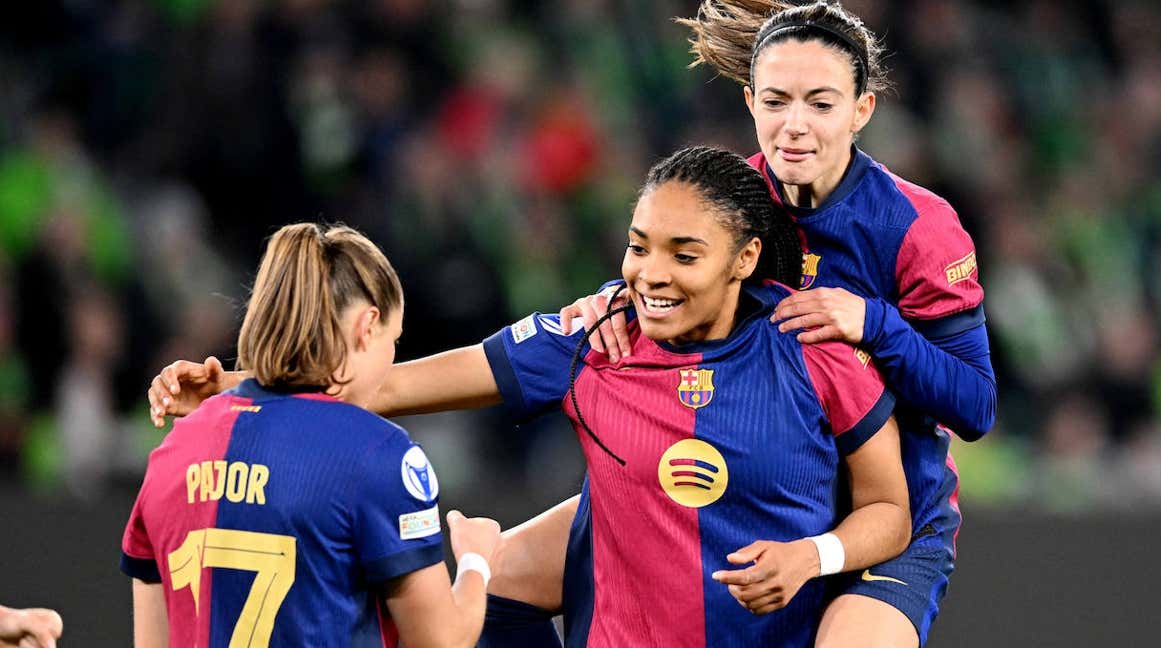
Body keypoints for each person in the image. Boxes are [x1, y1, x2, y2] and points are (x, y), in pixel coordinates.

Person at [147, 146, 912, 647]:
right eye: (639, 245)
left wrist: (811, 557)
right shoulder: (591, 335)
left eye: (685, 254)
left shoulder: (814, 347)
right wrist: (242, 385)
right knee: (476, 592)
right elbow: (383, 387)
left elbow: (890, 510)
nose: (650, 273)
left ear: (745, 257)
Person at [536, 2, 998, 646]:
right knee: (500, 573)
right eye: (778, 102)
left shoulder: (918, 227)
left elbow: (975, 405)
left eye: (821, 104)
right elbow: (664, 272)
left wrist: (874, 323)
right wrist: (612, 298)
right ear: (751, 103)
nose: (795, 127)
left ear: (862, 111)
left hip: (885, 518)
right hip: (748, 500)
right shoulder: (726, 201)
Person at [122, 224, 501, 647]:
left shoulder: (173, 451)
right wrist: (475, 561)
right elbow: (441, 643)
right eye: (393, 340)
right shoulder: (378, 453)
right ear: (367, 326)